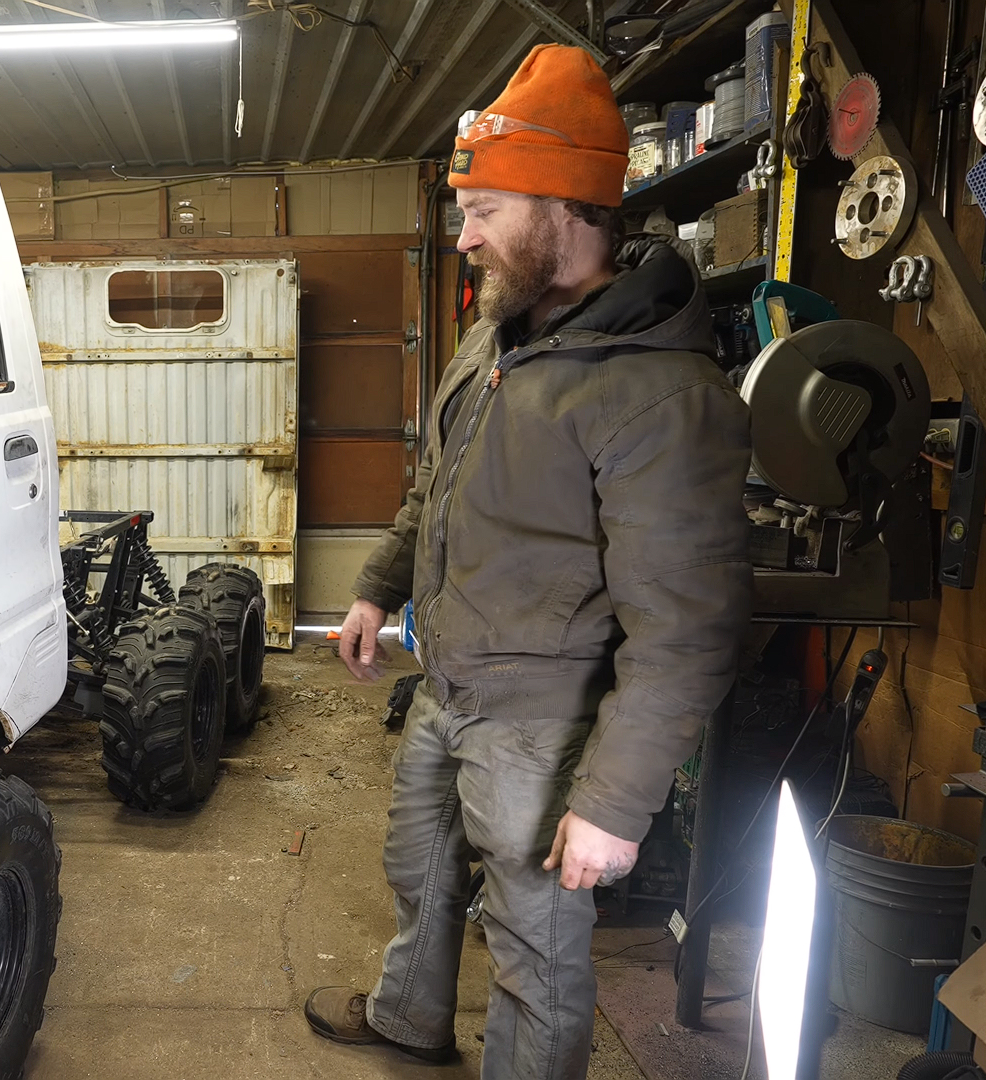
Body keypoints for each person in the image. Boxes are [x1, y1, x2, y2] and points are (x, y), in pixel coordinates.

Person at [300, 44, 754, 1080]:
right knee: (417, 871)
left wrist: (614, 801)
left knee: (533, 951)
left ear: (567, 210)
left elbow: (684, 629)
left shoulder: (661, 397)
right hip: (450, 683)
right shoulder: (496, 337)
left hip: (546, 724)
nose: (464, 238)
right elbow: (434, 487)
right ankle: (410, 1017)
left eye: (485, 210)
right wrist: (378, 589)